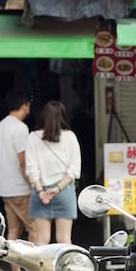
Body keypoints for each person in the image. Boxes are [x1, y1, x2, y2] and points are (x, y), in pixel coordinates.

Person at [25, 100, 81, 246]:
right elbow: (74, 168)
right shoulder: (70, 137)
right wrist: (57, 189)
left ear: (43, 116)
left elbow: (31, 168)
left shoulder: (33, 137)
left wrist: (40, 191)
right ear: (63, 116)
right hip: (64, 191)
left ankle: (42, 269)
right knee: (64, 240)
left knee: (41, 240)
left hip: (40, 192)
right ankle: (63, 269)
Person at [0, 90, 34, 271]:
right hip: (21, 188)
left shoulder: (0, 126)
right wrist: (33, 183)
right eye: (28, 105)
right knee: (34, 229)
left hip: (6, 187)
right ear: (24, 105)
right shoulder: (20, 128)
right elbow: (23, 162)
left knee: (13, 231)